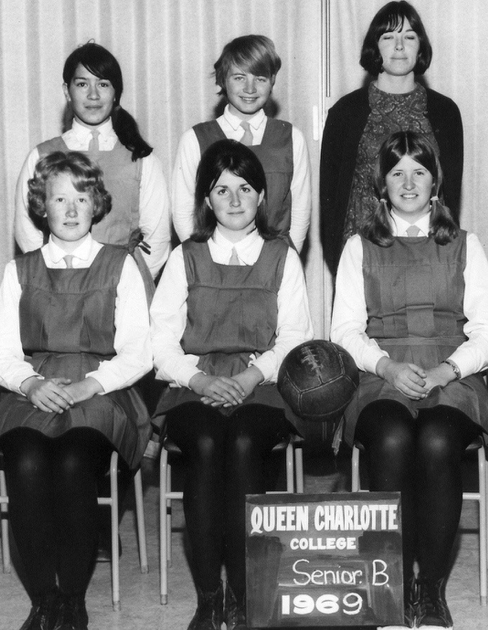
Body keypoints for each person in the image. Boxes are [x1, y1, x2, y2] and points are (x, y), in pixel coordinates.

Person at [331, 131, 488, 630]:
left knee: (434, 440)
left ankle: (429, 588)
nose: (409, 183)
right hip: (379, 371)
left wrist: (446, 370)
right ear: (382, 186)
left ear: (436, 183)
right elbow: (343, 330)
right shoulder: (357, 247)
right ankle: (389, 586)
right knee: (390, 436)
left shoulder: (465, 246)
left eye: (419, 171)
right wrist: (386, 366)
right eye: (396, 173)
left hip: (450, 371)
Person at [0, 151, 154, 630]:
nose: (71, 209)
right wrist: (31, 383)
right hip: (35, 389)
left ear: (97, 204)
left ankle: (74, 599)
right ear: (42, 206)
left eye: (81, 197)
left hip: (101, 389)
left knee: (75, 460)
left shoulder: (121, 265)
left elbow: (139, 353)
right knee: (27, 459)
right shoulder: (21, 270)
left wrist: (85, 388)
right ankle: (43, 598)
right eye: (59, 198)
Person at [150, 140, 313, 630]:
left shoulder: (282, 256)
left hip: (259, 382)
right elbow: (160, 342)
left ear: (263, 196)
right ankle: (207, 596)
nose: (235, 200)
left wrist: (247, 377)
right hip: (192, 382)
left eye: (245, 188)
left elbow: (295, 338)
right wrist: (200, 378)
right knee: (203, 441)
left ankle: (243, 592)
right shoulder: (186, 258)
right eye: (222, 190)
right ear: (206, 200)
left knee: (243, 442)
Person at [319, 0, 463, 277]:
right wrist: (338, 261)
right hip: (360, 253)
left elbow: (450, 194)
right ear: (375, 46)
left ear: (420, 46)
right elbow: (330, 199)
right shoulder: (345, 112)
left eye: (409, 37)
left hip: (429, 250)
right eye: (388, 37)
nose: (399, 46)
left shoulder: (445, 112)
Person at [14, 42, 171, 279]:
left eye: (103, 84)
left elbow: (157, 238)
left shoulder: (141, 159)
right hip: (59, 285)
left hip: (123, 286)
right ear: (67, 91)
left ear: (116, 93)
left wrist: (129, 286)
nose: (93, 95)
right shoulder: (41, 156)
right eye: (82, 84)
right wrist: (55, 280)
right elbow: (28, 232)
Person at [170, 34, 311, 253]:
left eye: (260, 78)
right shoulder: (194, 139)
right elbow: (183, 212)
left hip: (274, 260)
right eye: (239, 77)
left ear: (273, 80)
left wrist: (285, 260)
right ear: (222, 79)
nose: (250, 88)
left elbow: (300, 210)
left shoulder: (291, 137)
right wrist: (203, 259)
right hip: (214, 262)